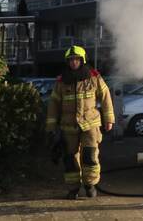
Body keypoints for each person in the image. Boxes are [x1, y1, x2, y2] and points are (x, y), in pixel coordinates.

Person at [45, 45, 114, 200]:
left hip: (90, 124)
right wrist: (51, 127)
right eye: (70, 60)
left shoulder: (94, 77)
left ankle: (90, 185)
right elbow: (53, 104)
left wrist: (109, 119)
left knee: (89, 155)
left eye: (76, 59)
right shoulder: (61, 81)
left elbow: (105, 97)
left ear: (82, 60)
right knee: (70, 158)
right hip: (68, 126)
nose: (73, 62)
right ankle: (73, 188)